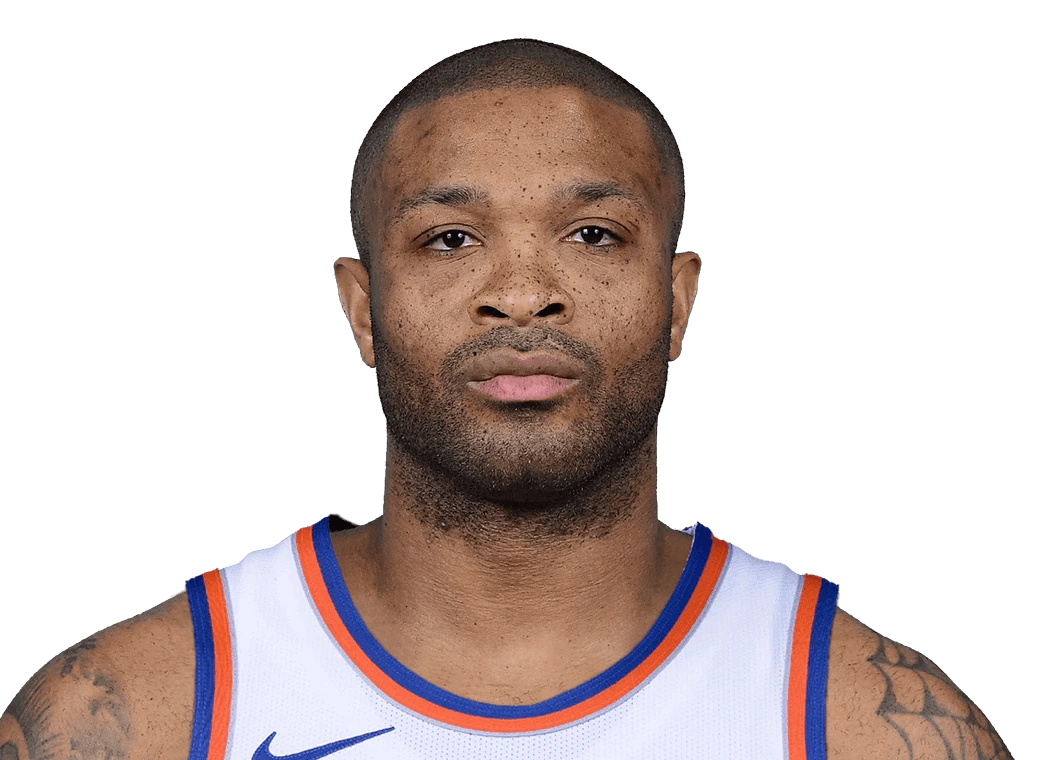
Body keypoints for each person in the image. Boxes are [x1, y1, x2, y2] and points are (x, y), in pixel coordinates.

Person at [0, 38, 1013, 760]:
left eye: (592, 234)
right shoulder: (137, 719)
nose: (522, 293)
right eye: (450, 238)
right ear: (359, 308)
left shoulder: (867, 727)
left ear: (679, 300)